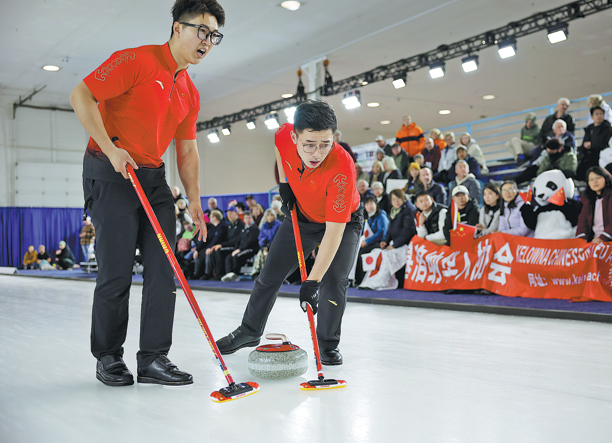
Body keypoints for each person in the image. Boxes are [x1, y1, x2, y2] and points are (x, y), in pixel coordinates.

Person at [69, 0, 224, 386]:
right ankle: (108, 356)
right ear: (177, 27)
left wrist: (195, 200)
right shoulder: (135, 60)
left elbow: (187, 151)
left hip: (153, 179)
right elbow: (81, 95)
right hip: (110, 171)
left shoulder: (189, 92)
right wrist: (110, 149)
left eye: (214, 35)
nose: (207, 41)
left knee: (163, 270)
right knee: (117, 270)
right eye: (202, 31)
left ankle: (153, 358)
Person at [216, 99, 363, 366]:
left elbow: (333, 233)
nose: (317, 153)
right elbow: (278, 144)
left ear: (334, 138)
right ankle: (249, 330)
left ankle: (327, 344)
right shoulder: (285, 134)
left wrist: (312, 282)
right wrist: (284, 184)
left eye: (325, 144)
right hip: (302, 215)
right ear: (295, 137)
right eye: (309, 144)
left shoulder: (342, 167)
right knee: (269, 274)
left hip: (343, 221)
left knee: (334, 281)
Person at [510, 139, 578, 186]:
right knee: (532, 169)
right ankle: (514, 182)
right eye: (548, 151)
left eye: (552, 151)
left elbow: (570, 172)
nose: (550, 153)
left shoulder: (570, 156)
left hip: (563, 180)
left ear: (559, 149)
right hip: (548, 179)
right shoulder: (548, 157)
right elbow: (540, 171)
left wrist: (553, 173)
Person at [355, 196, 389, 284]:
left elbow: (381, 232)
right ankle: (356, 279)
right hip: (368, 242)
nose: (369, 206)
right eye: (367, 204)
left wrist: (367, 242)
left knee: (362, 253)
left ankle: (363, 280)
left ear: (376, 204)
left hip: (379, 242)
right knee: (355, 252)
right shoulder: (366, 217)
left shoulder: (381, 216)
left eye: (371, 203)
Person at [221, 211, 260, 282]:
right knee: (229, 257)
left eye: (249, 218)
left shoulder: (255, 229)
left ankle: (235, 274)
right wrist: (236, 249)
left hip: (250, 249)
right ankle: (229, 274)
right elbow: (238, 240)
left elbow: (250, 242)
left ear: (252, 219)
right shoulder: (243, 229)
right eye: (246, 218)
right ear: (244, 219)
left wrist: (239, 249)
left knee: (236, 257)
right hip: (241, 249)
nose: (248, 220)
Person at [576, 166, 612, 242]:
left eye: (598, 178)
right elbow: (582, 221)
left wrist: (603, 238)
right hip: (594, 241)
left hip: (607, 240)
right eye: (591, 180)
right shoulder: (588, 199)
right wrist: (582, 238)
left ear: (606, 178)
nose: (595, 182)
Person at [577, 106, 612, 181]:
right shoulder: (589, 129)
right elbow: (584, 143)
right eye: (597, 114)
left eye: (601, 114)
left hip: (602, 155)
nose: (599, 116)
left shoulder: (608, 128)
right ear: (592, 117)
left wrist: (591, 145)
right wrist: (586, 146)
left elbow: (604, 143)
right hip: (590, 155)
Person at [209, 206, 245, 279]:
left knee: (219, 251)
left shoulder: (240, 224)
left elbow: (236, 240)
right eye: (228, 214)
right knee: (214, 250)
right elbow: (226, 238)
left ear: (236, 213)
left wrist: (222, 245)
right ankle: (216, 273)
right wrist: (219, 244)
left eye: (231, 213)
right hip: (228, 245)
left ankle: (221, 273)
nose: (229, 216)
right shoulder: (230, 225)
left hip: (235, 246)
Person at [195, 209, 228, 280]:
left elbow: (217, 239)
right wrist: (197, 249)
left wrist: (210, 247)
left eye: (211, 216)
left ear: (215, 218)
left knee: (209, 253)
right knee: (201, 253)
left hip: (220, 246)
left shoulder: (223, 226)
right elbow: (206, 239)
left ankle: (209, 273)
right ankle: (198, 273)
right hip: (212, 246)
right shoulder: (213, 227)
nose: (209, 218)